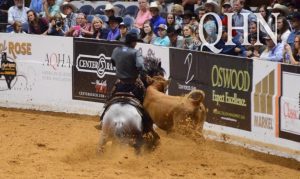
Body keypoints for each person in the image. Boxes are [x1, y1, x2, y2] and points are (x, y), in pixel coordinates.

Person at [110, 32, 157, 136]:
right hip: (134, 84)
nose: (136, 44)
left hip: (119, 83)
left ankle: (102, 118)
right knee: (145, 102)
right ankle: (147, 125)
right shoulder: (135, 52)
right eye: (135, 42)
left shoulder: (116, 50)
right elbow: (140, 66)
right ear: (133, 42)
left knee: (110, 99)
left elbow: (113, 62)